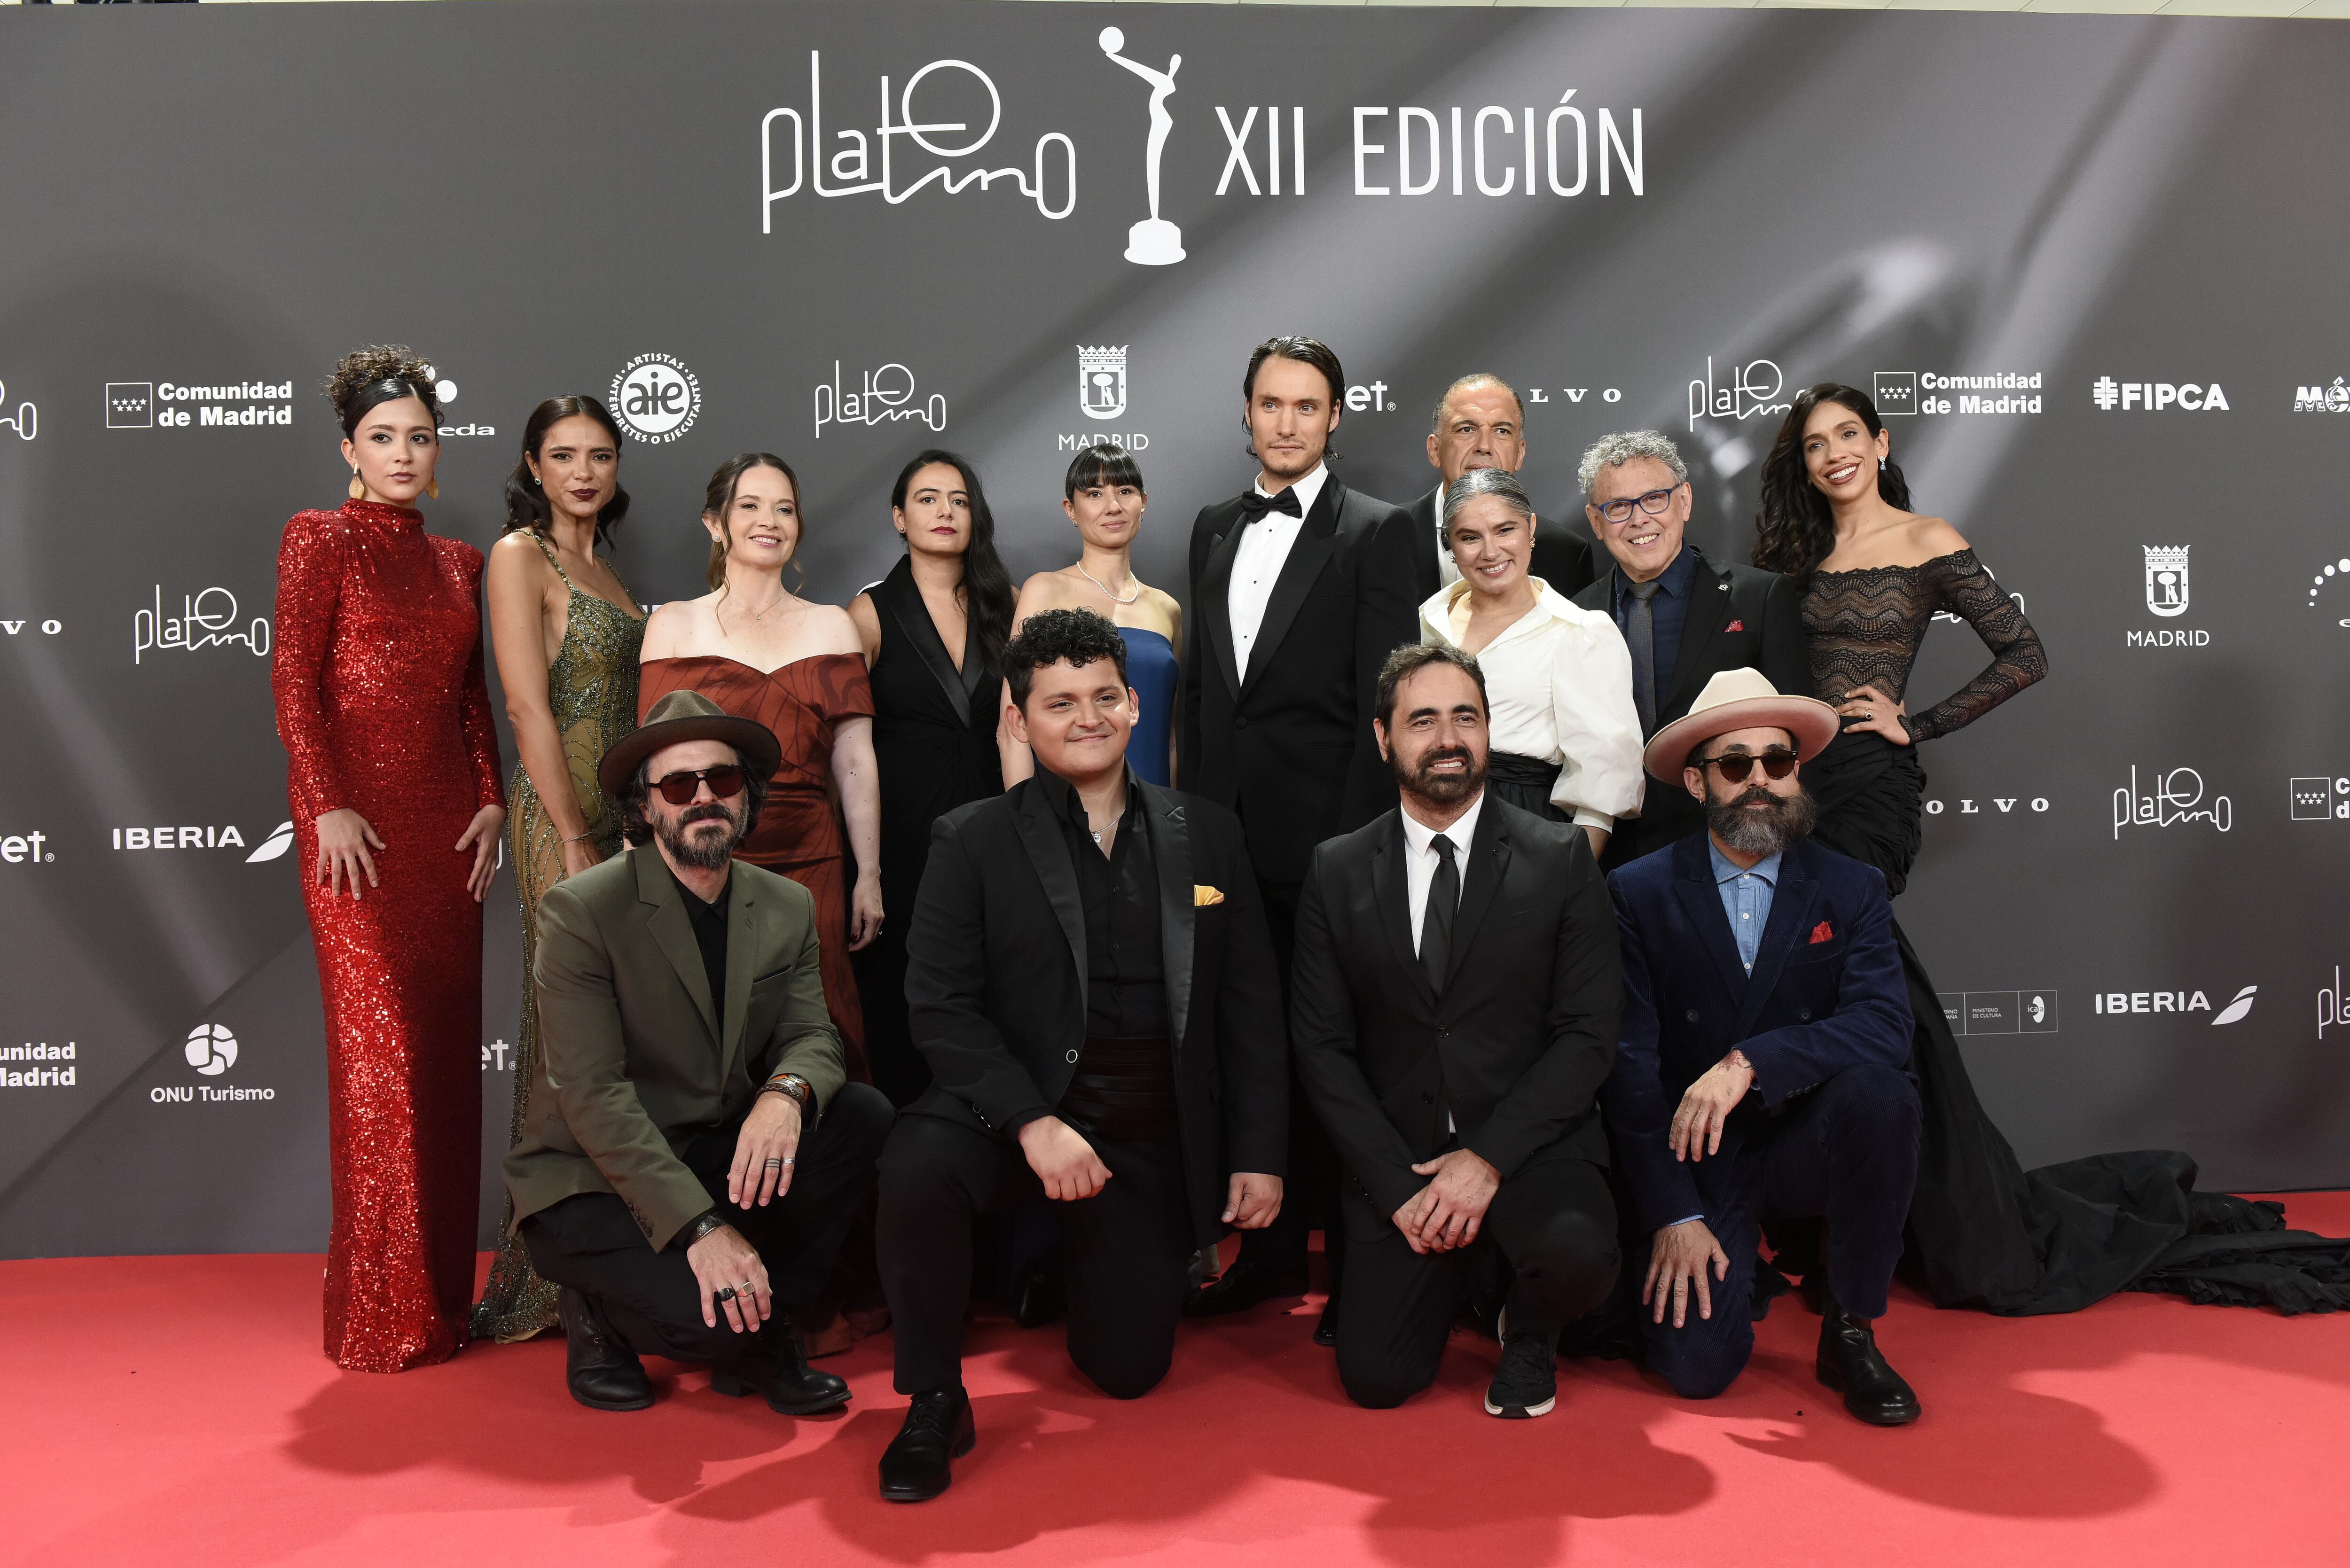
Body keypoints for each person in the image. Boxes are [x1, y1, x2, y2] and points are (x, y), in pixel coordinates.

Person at [875, 609, 1285, 1500]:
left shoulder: (1209, 831)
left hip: (1144, 1136)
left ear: (1136, 705)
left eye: (1105, 696)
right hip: (1014, 1114)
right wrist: (1031, 1119)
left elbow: (1251, 1005)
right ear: (1020, 721)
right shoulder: (971, 836)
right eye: (1060, 703)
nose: (1088, 716)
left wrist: (1256, 1154)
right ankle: (934, 1397)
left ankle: (1062, 1262)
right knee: (914, 1162)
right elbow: (939, 1007)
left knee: (1129, 1369)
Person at [504, 691, 894, 1416]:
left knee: (860, 1116)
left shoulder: (785, 904)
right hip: (596, 1179)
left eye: (723, 779)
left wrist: (785, 1094)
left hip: (712, 1146)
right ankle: (598, 1315)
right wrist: (703, 1229)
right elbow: (593, 1095)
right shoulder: (583, 910)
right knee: (700, 1328)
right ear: (645, 807)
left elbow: (814, 1037)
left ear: (747, 794)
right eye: (680, 785)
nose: (704, 798)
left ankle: (766, 1336)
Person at [1754, 382, 2051, 1313]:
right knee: (1820, 986)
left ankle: (1928, 1214)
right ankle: (1850, 1210)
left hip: (1872, 793)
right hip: (1795, 791)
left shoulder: (1927, 539)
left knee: (1861, 976)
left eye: (1848, 435)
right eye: (1814, 443)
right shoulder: (1794, 555)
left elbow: (2023, 653)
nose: (1833, 453)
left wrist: (1913, 723)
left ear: (1880, 443)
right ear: (1800, 464)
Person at [1291, 643, 1622, 1417]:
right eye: (1424, 719)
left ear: (1488, 731)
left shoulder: (1561, 856)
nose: (1448, 737)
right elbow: (1322, 1046)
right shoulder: (1337, 869)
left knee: (1578, 1255)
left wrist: (1487, 1160)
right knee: (1378, 1382)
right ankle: (1471, 1280)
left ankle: (1529, 1328)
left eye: (1465, 717)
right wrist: (1394, 1186)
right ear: (1384, 738)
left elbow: (1588, 1034)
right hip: (1400, 1154)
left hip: (1527, 1145)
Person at [1601, 668, 1922, 1424]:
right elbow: (1630, 1070)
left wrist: (1751, 1063)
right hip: (1696, 1157)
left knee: (1883, 1094)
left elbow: (1886, 1024)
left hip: (1803, 1141)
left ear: (1797, 772)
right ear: (1696, 779)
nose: (1760, 781)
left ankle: (1850, 1326)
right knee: (1697, 1372)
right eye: (1735, 764)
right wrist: (1674, 1215)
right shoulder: (1637, 892)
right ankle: (1724, 1261)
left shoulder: (1852, 887)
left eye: (1777, 762)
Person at [271, 345, 506, 1372]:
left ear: (438, 451)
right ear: (349, 450)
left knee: (448, 1069)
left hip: (448, 834)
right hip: (355, 842)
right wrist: (326, 809)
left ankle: (445, 1306)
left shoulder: (462, 561)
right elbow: (293, 685)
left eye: (419, 436)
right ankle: (382, 1313)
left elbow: (469, 702)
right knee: (384, 1069)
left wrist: (493, 801)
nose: (403, 453)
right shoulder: (318, 538)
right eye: (383, 438)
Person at [1179, 334, 1420, 1334]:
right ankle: (1271, 1256)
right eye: (1270, 405)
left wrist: (1349, 849)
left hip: (1329, 840)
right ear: (1247, 413)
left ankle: (1357, 1265)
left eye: (1305, 407)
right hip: (1223, 842)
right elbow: (1209, 697)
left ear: (1334, 418)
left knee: (1337, 1050)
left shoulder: (1378, 531)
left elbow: (1384, 703)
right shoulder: (1207, 528)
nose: (1286, 422)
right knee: (1250, 1045)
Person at [474, 395, 646, 1345]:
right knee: (565, 1034)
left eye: (600, 455)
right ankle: (546, 1272)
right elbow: (527, 707)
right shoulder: (519, 557)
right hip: (561, 816)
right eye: (563, 455)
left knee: (613, 1037)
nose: (583, 472)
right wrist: (576, 834)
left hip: (623, 820)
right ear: (533, 466)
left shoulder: (608, 572)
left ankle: (609, 1251)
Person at [640, 454, 880, 1082]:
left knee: (818, 1023)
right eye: (750, 506)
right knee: (706, 1028)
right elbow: (656, 768)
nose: (769, 521)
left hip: (812, 860)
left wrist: (870, 873)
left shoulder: (833, 624)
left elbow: (855, 761)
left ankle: (825, 1167)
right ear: (715, 524)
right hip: (705, 859)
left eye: (785, 508)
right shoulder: (672, 624)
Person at [849, 451, 1015, 1109]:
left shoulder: (1008, 604)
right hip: (901, 838)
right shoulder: (868, 612)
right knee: (902, 998)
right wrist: (866, 869)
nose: (945, 511)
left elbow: (1018, 731)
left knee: (991, 993)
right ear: (899, 516)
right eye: (927, 498)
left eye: (959, 499)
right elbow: (849, 749)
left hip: (990, 831)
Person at [1570, 430, 1810, 871]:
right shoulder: (1572, 616)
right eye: (1618, 506)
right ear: (1596, 521)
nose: (1639, 519)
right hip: (1610, 862)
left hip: (1733, 852)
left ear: (1684, 501)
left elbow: (1795, 747)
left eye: (1655, 499)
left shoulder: (1759, 598)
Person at [1417, 467, 1641, 860]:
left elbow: (1602, 791)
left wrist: (1568, 883)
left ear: (1531, 528)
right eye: (1470, 537)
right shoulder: (1432, 617)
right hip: (1428, 817)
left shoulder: (1580, 631)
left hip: (1526, 824)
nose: (1491, 551)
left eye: (1506, 530)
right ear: (1449, 544)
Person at [1003, 442, 1182, 787]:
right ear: (1071, 509)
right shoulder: (1044, 590)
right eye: (1095, 494)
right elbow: (1012, 730)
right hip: (1061, 811)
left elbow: (1168, 735)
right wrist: (1026, 829)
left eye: (1125, 491)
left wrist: (1169, 821)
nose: (1113, 506)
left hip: (1153, 810)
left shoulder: (1167, 608)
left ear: (1143, 502)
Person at [1404, 374, 1595, 601]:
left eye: (1502, 431)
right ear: (1435, 450)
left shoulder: (1566, 553)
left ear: (1520, 453)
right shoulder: (1385, 536)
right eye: (1466, 429)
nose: (1484, 446)